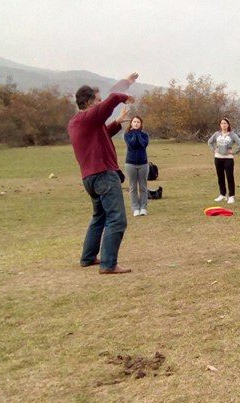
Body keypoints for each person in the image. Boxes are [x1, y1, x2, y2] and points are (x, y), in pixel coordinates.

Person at [67, 73, 137, 274]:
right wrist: (124, 91)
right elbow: (112, 98)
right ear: (88, 102)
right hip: (103, 175)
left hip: (90, 178)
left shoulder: (78, 122)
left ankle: (88, 257)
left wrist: (117, 122)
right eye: (96, 101)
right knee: (117, 218)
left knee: (99, 216)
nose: (99, 104)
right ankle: (108, 264)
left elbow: (102, 133)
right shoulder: (88, 118)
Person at [207, 118, 240, 204]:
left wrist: (233, 152)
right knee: (220, 177)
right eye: (222, 123)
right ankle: (222, 194)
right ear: (220, 125)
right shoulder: (216, 134)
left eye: (225, 123)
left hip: (228, 159)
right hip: (218, 158)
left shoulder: (232, 135)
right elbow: (210, 142)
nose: (223, 125)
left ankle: (231, 196)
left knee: (230, 177)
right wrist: (214, 150)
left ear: (228, 125)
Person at [124, 116, 150, 217]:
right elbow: (132, 144)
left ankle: (143, 207)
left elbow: (143, 145)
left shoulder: (144, 135)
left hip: (143, 164)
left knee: (143, 187)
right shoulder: (127, 135)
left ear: (141, 124)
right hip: (130, 164)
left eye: (138, 122)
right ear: (131, 123)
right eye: (134, 122)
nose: (136, 123)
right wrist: (134, 133)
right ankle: (135, 208)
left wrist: (138, 133)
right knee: (133, 187)